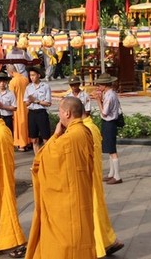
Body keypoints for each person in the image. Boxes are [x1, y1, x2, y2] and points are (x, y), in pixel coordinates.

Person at [25, 96, 95, 259]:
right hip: (83, 198)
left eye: (60, 112)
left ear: (68, 113)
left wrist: (55, 135)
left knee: (66, 243)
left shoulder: (65, 140)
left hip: (67, 205)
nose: (59, 116)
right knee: (82, 238)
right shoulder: (85, 132)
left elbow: (40, 161)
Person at [79, 99, 124, 257]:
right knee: (98, 211)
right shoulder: (91, 127)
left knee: (94, 213)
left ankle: (99, 245)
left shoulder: (84, 130)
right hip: (94, 178)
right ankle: (108, 241)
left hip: (88, 180)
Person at [0, 105, 26, 258]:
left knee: (7, 209)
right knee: (1, 211)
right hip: (6, 173)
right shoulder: (4, 129)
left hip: (1, 176)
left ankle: (17, 243)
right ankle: (3, 242)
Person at [94, 74, 123, 184]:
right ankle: (112, 173)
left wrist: (98, 101)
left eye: (100, 85)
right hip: (110, 123)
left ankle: (117, 175)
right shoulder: (110, 93)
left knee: (112, 150)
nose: (99, 87)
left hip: (109, 122)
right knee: (110, 149)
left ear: (105, 85)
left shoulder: (110, 96)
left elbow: (104, 113)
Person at [24, 67, 52, 153]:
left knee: (45, 138)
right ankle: (37, 159)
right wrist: (29, 101)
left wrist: (36, 101)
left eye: (33, 75)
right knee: (34, 139)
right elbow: (25, 103)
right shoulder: (28, 87)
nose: (31, 77)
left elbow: (48, 103)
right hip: (32, 113)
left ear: (38, 75)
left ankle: (47, 157)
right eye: (30, 75)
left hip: (41, 113)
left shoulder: (45, 86)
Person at [8, 65, 30, 152]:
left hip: (17, 106)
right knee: (27, 123)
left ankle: (22, 144)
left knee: (19, 125)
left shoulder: (13, 82)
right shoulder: (25, 79)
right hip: (26, 105)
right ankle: (28, 142)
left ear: (11, 72)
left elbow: (11, 96)